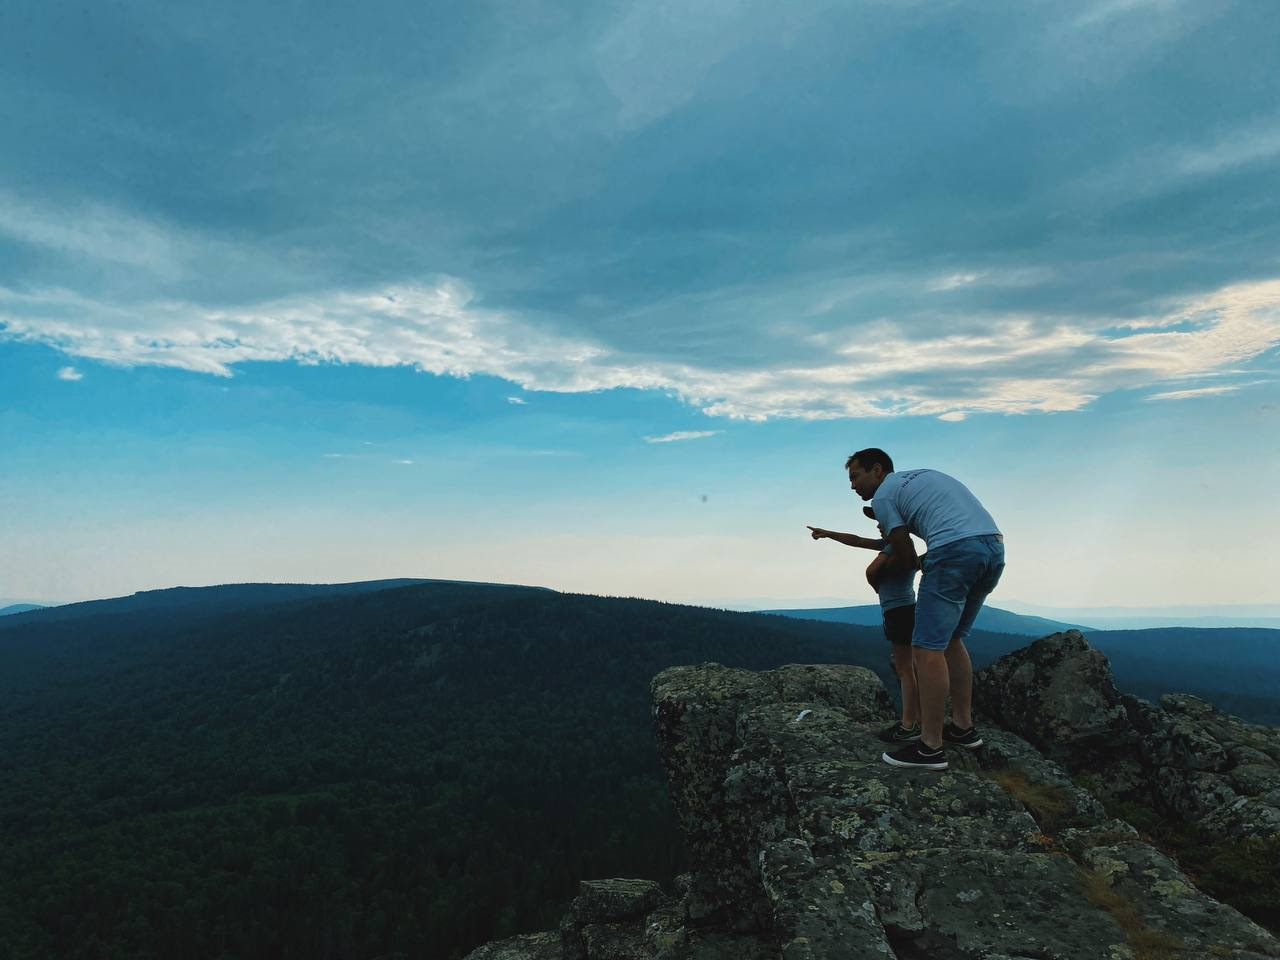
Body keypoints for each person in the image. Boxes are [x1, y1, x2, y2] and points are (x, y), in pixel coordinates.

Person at [846, 447, 1005, 771]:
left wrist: (918, 565)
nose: (852, 486)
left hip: (954, 549)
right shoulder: (921, 477)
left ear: (877, 470)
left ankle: (930, 747)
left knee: (926, 647)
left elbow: (903, 548)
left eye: (855, 476)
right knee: (952, 639)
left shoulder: (884, 495)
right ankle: (962, 727)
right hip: (992, 547)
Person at [807, 507, 922, 745]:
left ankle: (909, 724)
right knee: (909, 668)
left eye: (882, 523)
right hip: (907, 610)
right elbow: (857, 540)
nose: (879, 526)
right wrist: (828, 533)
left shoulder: (892, 548)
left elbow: (870, 571)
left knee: (905, 670)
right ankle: (916, 720)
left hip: (899, 612)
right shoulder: (898, 546)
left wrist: (876, 586)